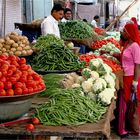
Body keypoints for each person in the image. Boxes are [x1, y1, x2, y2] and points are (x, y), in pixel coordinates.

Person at [117, 23, 140, 137]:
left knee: (129, 102)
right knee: (124, 101)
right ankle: (123, 126)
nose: (123, 33)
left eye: (125, 31)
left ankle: (130, 126)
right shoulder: (127, 43)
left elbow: (138, 66)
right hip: (124, 76)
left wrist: (135, 82)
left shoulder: (135, 46)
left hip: (130, 77)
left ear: (130, 33)